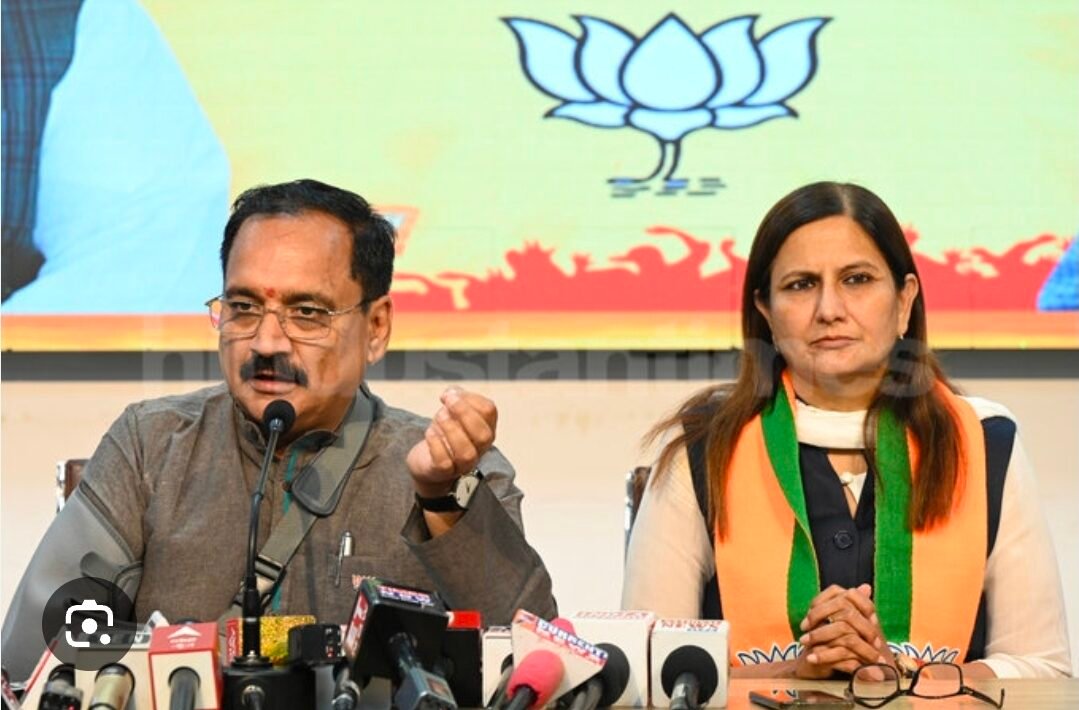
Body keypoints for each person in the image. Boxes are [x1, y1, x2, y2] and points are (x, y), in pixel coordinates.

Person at [1, 179, 556, 681]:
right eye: (243, 307)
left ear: (376, 326)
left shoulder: (448, 469)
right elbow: (35, 652)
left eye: (307, 313)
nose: (266, 343)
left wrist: (441, 501)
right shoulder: (151, 446)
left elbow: (532, 667)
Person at [623, 181, 1071, 679]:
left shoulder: (985, 443)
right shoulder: (704, 448)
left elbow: (1042, 669)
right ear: (765, 312)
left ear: (904, 300)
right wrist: (796, 671)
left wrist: (902, 675)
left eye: (857, 280)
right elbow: (646, 673)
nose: (830, 310)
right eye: (801, 285)